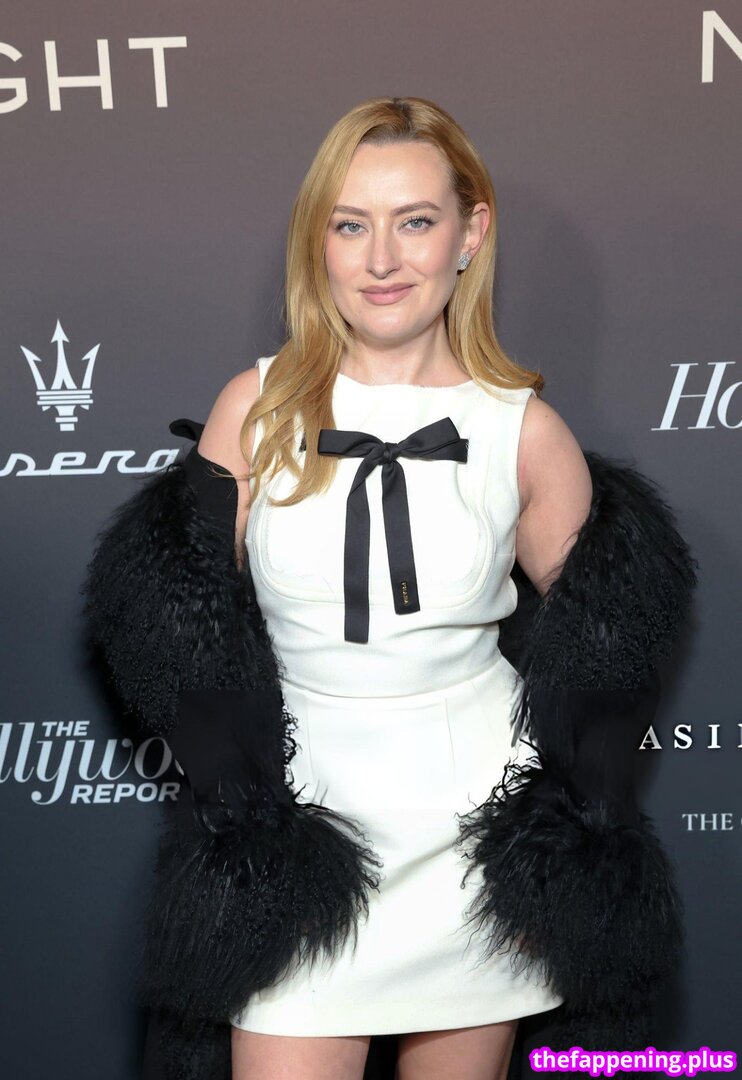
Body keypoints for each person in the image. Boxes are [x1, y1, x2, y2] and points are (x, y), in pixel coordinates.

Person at [83, 97, 697, 1080]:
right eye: (349, 225)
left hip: (472, 844)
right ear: (317, 242)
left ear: (470, 232)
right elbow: (179, 627)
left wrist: (555, 841)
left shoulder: (521, 430)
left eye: (414, 221)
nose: (381, 260)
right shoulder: (255, 408)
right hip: (299, 835)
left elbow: (607, 649)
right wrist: (239, 803)